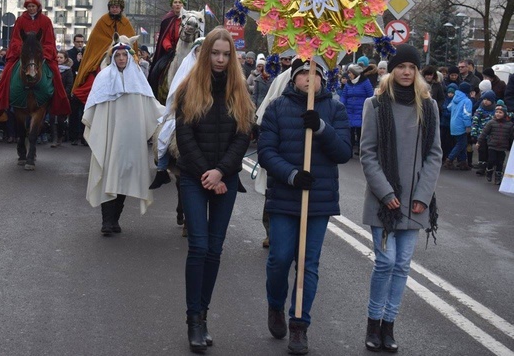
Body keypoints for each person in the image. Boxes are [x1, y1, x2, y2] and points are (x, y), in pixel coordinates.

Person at [259, 58, 351, 355]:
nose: (310, 79)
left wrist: (322, 128)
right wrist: (293, 174)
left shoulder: (334, 109)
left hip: (318, 201)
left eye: (316, 74)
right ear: (293, 78)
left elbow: (343, 153)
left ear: (323, 79)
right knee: (279, 259)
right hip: (285, 198)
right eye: (304, 74)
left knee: (308, 263)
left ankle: (299, 325)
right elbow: (266, 153)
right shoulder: (277, 108)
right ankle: (275, 305)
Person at [173, 27, 253, 352]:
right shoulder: (188, 88)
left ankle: (203, 315)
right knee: (199, 247)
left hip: (226, 177)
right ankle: (193, 320)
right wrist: (207, 172)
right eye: (215, 53)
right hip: (194, 177)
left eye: (225, 54)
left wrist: (221, 171)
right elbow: (184, 136)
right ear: (206, 54)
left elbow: (244, 135)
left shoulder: (239, 90)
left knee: (216, 249)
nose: (220, 59)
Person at [360, 44, 442, 353]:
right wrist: (386, 193)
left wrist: (423, 195)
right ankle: (373, 322)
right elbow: (367, 154)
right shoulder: (375, 104)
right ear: (392, 70)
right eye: (401, 67)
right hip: (384, 203)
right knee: (386, 262)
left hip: (416, 201)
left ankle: (388, 327)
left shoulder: (428, 107)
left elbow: (435, 154)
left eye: (412, 67)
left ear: (418, 72)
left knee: (403, 264)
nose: (406, 72)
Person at [83, 35, 163, 235]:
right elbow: (94, 107)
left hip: (130, 140)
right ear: (113, 57)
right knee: (108, 175)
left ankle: (115, 219)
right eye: (117, 55)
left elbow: (150, 105)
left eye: (123, 55)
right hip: (109, 138)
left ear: (129, 57)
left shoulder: (138, 78)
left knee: (124, 177)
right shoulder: (103, 77)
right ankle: (106, 221)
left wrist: (169, 112)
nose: (120, 58)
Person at [0, 0, 71, 121]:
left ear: (38, 7)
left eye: (33, 6)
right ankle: (0, 106)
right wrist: (22, 49)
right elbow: (15, 38)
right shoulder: (20, 20)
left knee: (56, 74)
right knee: (7, 73)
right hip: (23, 52)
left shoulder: (46, 20)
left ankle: (59, 106)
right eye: (29, 6)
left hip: (40, 53)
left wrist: (43, 51)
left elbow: (49, 39)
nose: (31, 8)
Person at [72, 0, 137, 103]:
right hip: (103, 54)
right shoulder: (103, 20)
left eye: (117, 7)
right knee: (91, 77)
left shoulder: (126, 23)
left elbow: (132, 41)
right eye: (112, 7)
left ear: (121, 9)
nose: (114, 10)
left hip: (123, 55)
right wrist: (109, 46)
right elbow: (96, 40)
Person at [148, 0, 185, 100]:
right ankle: (154, 92)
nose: (177, 5)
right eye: (175, 2)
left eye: (180, 2)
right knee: (156, 69)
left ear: (183, 5)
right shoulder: (167, 19)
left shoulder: (188, 19)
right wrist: (169, 48)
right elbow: (165, 37)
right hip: (171, 52)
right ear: (172, 5)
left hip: (185, 51)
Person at [340, 62, 374, 155]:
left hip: (362, 111)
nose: (348, 75)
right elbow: (344, 96)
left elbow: (371, 95)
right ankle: (349, 151)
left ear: (355, 73)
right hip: (350, 110)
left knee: (360, 132)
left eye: (350, 73)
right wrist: (341, 105)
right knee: (350, 132)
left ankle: (361, 150)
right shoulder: (348, 84)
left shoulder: (365, 82)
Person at [477, 102, 514, 184]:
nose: (498, 114)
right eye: (496, 112)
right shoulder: (491, 122)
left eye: (500, 112)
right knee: (491, 160)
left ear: (505, 114)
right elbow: (484, 133)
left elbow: (511, 136)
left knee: (500, 163)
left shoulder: (509, 125)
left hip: (502, 147)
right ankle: (489, 171)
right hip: (492, 146)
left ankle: (498, 177)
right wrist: (479, 142)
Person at [444, 81, 472, 170]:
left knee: (462, 143)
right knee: (461, 143)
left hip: (453, 124)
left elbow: (449, 107)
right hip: (461, 125)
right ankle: (449, 160)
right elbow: (466, 114)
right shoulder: (467, 101)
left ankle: (462, 162)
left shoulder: (455, 97)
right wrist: (468, 126)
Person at [471, 91, 496, 176]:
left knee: (489, 151)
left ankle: (489, 166)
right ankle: (481, 166)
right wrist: (474, 132)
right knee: (482, 151)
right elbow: (475, 121)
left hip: (491, 136)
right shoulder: (480, 109)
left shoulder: (495, 111)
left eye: (488, 100)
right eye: (484, 99)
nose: (485, 101)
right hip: (481, 134)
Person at [51, 50, 73, 147]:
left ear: (65, 59)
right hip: (52, 96)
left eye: (61, 58)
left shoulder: (68, 71)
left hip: (63, 98)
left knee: (60, 120)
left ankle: (60, 137)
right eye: (57, 57)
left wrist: (63, 94)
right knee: (51, 119)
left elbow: (69, 85)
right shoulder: (52, 69)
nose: (59, 59)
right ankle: (54, 138)